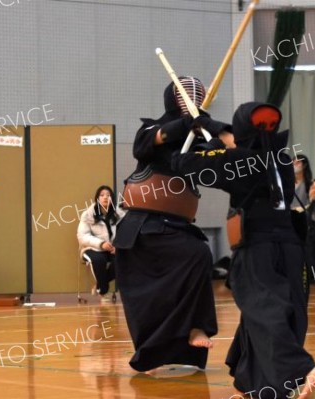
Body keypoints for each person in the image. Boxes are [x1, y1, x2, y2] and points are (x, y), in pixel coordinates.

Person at [172, 102, 315, 399]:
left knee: (263, 310)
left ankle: (301, 368)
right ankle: (256, 386)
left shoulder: (238, 161)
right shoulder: (280, 158)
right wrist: (211, 128)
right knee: (276, 313)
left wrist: (206, 136)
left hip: (258, 248)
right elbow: (238, 145)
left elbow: (183, 164)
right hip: (291, 248)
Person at [113, 76, 225, 373]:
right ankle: (152, 351)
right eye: (186, 95)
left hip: (177, 225)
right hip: (142, 225)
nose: (192, 98)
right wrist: (185, 123)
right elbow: (149, 143)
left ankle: (196, 328)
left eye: (196, 96)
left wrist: (210, 137)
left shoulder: (197, 140)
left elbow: (216, 164)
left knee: (199, 255)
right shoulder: (151, 128)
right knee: (150, 299)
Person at [77, 185, 125, 302]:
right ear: (97, 198)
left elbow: (125, 232)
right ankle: (103, 290)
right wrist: (101, 243)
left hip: (111, 248)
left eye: (108, 195)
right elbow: (82, 236)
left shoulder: (118, 214)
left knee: (123, 259)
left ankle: (99, 286)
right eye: (102, 195)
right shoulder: (88, 214)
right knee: (99, 259)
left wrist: (118, 247)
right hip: (91, 248)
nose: (105, 198)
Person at [290, 154, 312, 242]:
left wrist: (300, 209)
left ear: (305, 165)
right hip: (289, 219)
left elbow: (312, 204)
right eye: (293, 162)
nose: (294, 164)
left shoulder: (310, 184)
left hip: (303, 220)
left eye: (298, 162)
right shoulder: (287, 184)